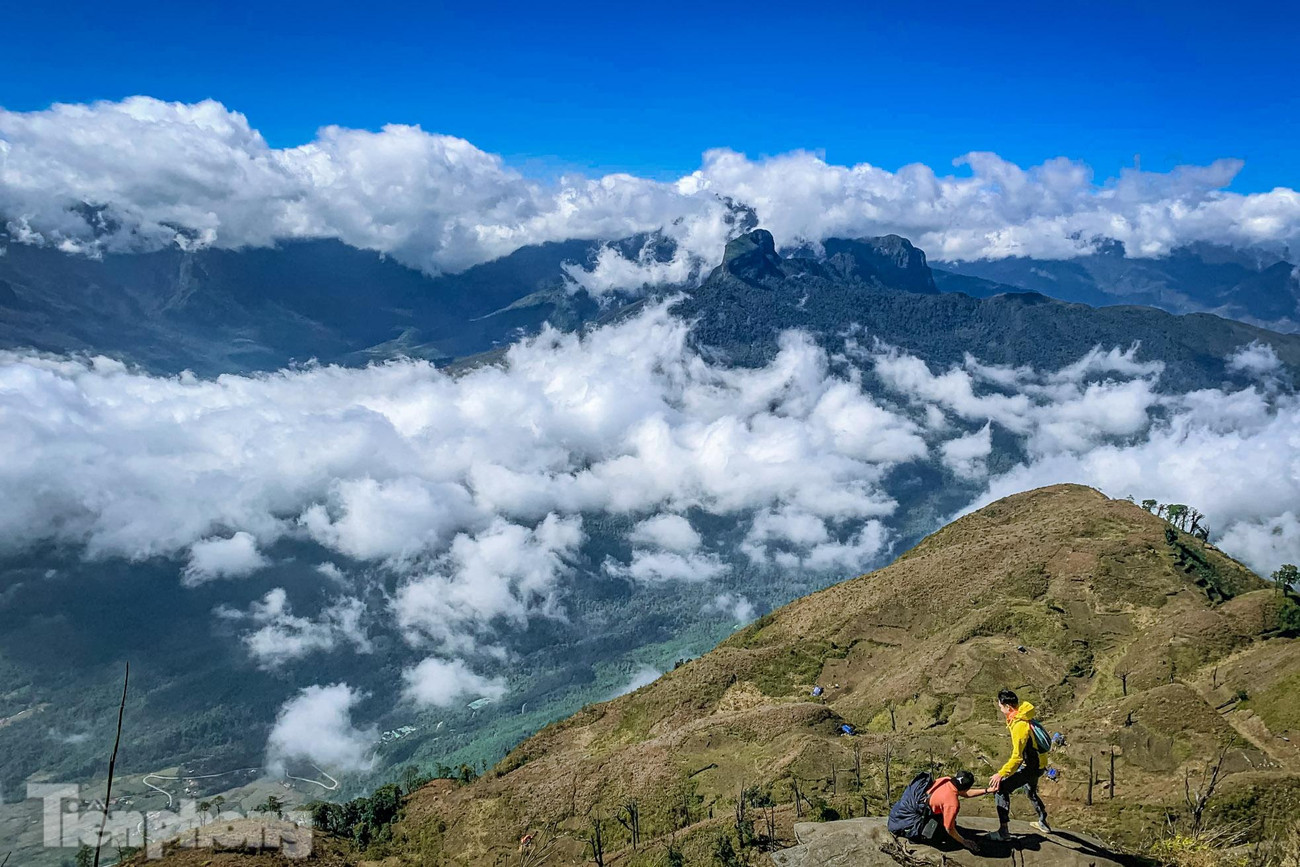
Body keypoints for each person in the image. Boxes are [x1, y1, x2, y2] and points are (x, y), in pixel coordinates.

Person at [987, 689, 1051, 841]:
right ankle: (1043, 822)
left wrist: (1001, 773)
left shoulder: (1019, 726)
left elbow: (1017, 757)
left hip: (1032, 767)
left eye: (1001, 706)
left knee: (1001, 789)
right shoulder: (1023, 715)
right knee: (1030, 791)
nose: (1000, 708)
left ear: (1008, 707)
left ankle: (1003, 832)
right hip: (1038, 765)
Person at [925, 771, 992, 853]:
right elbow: (949, 828)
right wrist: (964, 842)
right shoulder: (952, 804)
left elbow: (964, 793)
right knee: (944, 833)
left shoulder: (946, 780)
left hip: (920, 806)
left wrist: (987, 790)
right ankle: (919, 836)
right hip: (922, 818)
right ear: (966, 788)